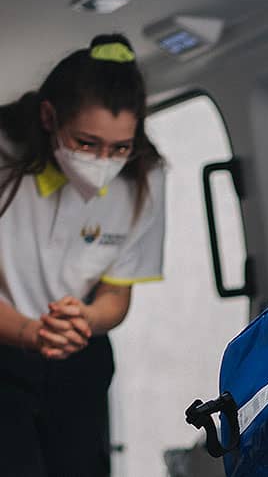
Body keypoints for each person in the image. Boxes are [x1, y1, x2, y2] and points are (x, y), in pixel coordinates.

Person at [0, 34, 166, 477]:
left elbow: (116, 294)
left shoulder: (144, 181)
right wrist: (29, 332)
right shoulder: (3, 159)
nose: (104, 161)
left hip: (80, 351)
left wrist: (84, 320)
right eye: (87, 143)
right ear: (49, 116)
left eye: (119, 148)